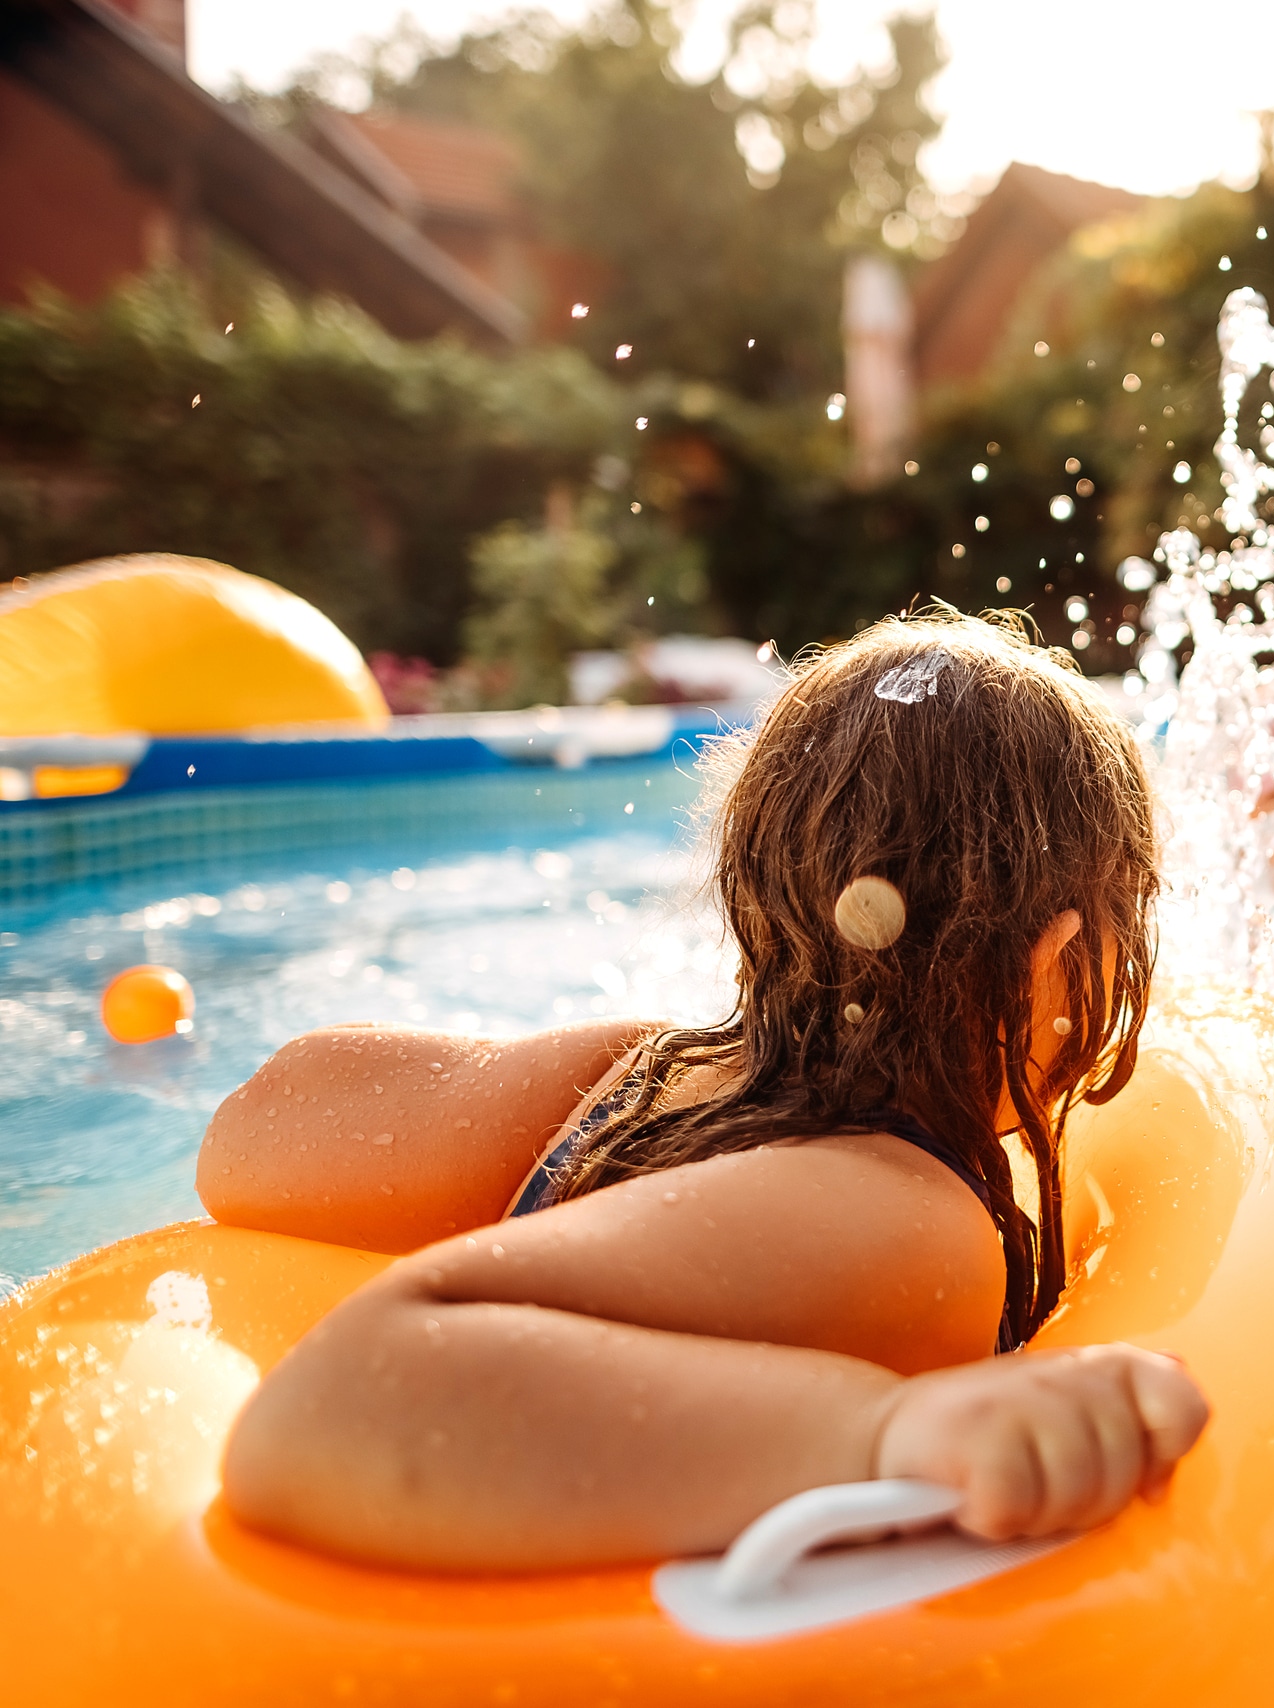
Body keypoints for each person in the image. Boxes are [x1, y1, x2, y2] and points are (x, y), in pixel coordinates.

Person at [203, 610, 1209, 1574]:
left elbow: (246, 1136)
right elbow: (332, 1404)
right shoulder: (909, 1217)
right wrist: (882, 1434)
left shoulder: (638, 1077)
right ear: (1058, 954)